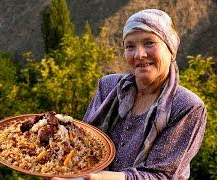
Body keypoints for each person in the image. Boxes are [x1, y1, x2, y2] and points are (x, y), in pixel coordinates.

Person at [53, 9, 206, 180]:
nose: (139, 54)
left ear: (170, 49)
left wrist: (101, 178)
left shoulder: (186, 106)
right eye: (130, 46)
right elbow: (83, 144)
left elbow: (162, 176)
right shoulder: (109, 86)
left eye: (149, 43)